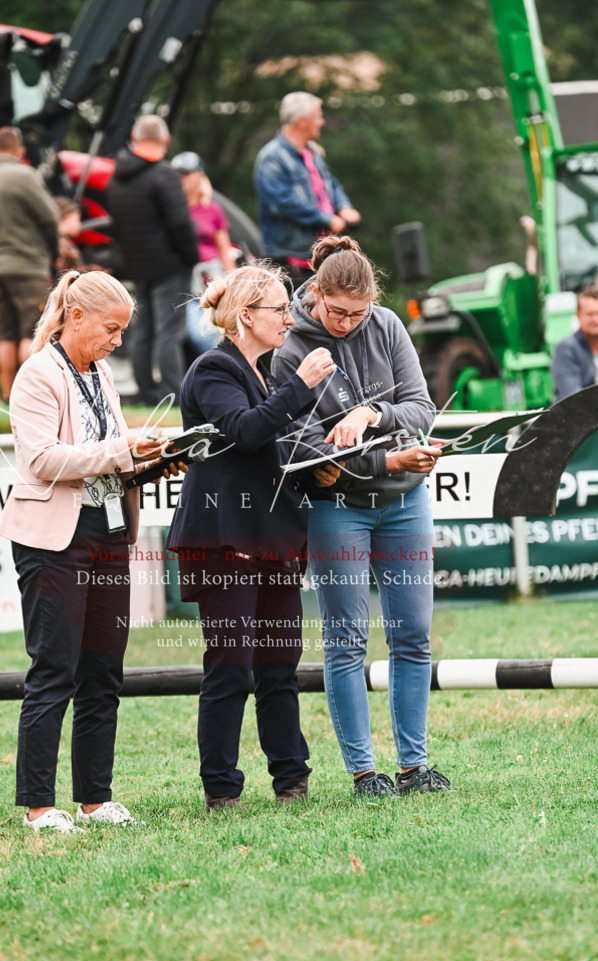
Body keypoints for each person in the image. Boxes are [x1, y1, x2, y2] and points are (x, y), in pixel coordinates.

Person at [0, 270, 183, 833]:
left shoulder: (100, 374)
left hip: (108, 533)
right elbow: (42, 461)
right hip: (54, 540)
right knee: (54, 669)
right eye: (112, 329)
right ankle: (38, 807)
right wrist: (121, 448)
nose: (118, 341)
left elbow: (108, 457)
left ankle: (95, 801)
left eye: (123, 330)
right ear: (75, 317)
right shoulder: (37, 373)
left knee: (104, 671)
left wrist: (148, 460)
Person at [272, 235, 451, 798]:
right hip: (337, 509)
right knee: (347, 638)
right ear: (317, 295)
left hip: (405, 501)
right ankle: (364, 772)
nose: (348, 323)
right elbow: (301, 449)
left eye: (359, 313)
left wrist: (370, 413)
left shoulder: (388, 325)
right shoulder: (289, 347)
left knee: (412, 635)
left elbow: (421, 408)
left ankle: (414, 765)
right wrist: (381, 456)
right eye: (337, 313)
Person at [165, 264, 336, 811]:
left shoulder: (263, 373)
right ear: (245, 315)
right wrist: (301, 385)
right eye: (280, 309)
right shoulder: (213, 368)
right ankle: (221, 788)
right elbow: (243, 432)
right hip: (224, 541)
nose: (290, 319)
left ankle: (292, 778)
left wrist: (317, 466)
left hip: (271, 538)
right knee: (231, 666)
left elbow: (268, 449)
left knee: (279, 667)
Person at [107, 115, 199, 406]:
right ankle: (174, 395)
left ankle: (146, 392)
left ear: (134, 138)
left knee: (142, 330)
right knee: (169, 332)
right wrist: (191, 256)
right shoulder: (164, 175)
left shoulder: (116, 178)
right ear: (166, 139)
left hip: (136, 265)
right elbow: (180, 223)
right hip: (169, 265)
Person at [0, 126, 59, 400]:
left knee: (5, 334)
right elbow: (51, 216)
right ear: (19, 150)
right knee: (33, 330)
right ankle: (31, 397)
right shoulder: (24, 175)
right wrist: (53, 252)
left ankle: (9, 395)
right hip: (27, 266)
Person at [254, 91, 361, 287]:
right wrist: (327, 219)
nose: (322, 121)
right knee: (296, 305)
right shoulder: (272, 157)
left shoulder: (312, 152)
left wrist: (344, 206)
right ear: (302, 121)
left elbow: (331, 184)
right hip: (290, 258)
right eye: (318, 116)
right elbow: (282, 204)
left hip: (318, 255)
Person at [171, 150, 237, 356]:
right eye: (178, 174)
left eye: (187, 174)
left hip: (211, 279)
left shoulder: (212, 209)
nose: (182, 179)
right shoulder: (172, 208)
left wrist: (233, 281)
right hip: (184, 284)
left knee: (221, 328)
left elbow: (223, 248)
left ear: (199, 176)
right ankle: (222, 362)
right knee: (197, 333)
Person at [551, 286, 598, 401]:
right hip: (579, 411)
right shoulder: (566, 348)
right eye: (590, 314)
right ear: (578, 316)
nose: (596, 320)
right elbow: (574, 398)